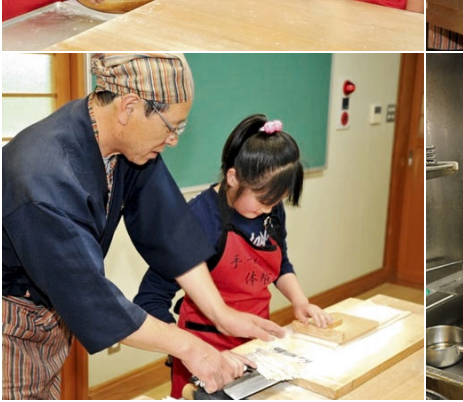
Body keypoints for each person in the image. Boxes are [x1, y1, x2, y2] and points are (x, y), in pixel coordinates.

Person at [2, 54, 285, 399]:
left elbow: (169, 230)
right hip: (9, 324)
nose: (174, 140)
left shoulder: (123, 145)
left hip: (50, 319)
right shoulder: (43, 177)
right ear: (130, 107)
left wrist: (221, 315)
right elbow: (91, 297)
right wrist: (193, 348)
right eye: (173, 126)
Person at [135, 114, 332, 398]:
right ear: (233, 177)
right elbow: (151, 300)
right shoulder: (198, 220)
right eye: (263, 201)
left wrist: (300, 302)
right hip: (204, 351)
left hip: (254, 344)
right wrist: (190, 349)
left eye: (275, 202)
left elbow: (281, 262)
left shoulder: (269, 210)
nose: (269, 210)